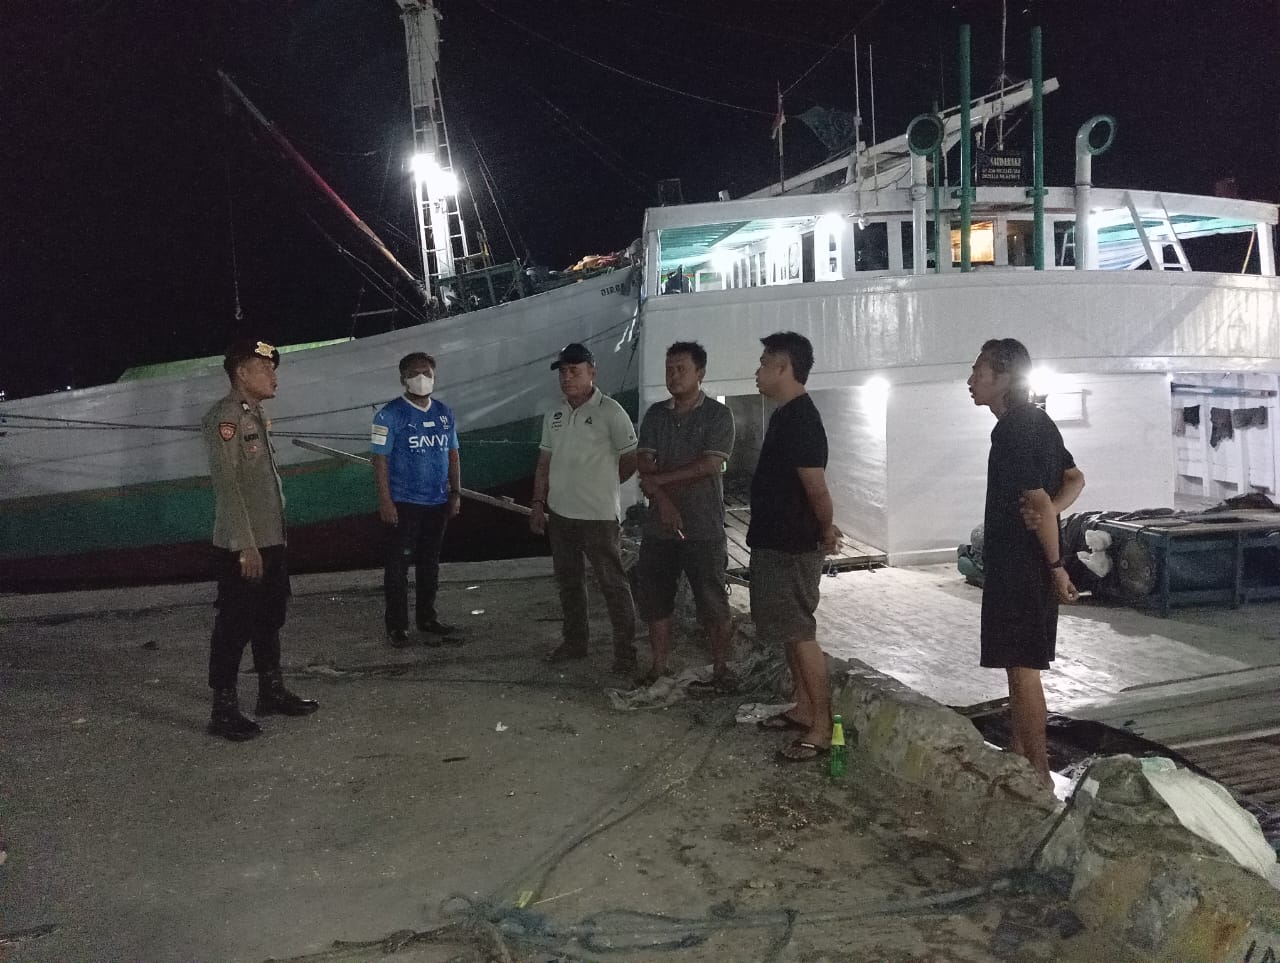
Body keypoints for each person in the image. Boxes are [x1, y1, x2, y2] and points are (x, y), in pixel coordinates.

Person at [968, 338, 1085, 789]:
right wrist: (1054, 508)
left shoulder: (1015, 429)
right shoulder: (1039, 421)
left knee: (1023, 670)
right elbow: (1074, 478)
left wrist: (1056, 566)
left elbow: (1036, 500)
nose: (971, 380)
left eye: (979, 372)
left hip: (1022, 566)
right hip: (1021, 566)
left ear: (1003, 379)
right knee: (1017, 665)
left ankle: (1037, 771)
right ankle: (1020, 754)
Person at [202, 339, 318, 742]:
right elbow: (228, 485)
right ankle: (223, 710)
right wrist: (245, 545)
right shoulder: (225, 418)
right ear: (241, 373)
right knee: (234, 625)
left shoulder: (257, 414)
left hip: (270, 539)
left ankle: (271, 692)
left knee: (270, 618)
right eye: (265, 368)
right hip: (244, 544)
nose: (273, 376)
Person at [748, 332, 842, 762]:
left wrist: (826, 531)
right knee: (789, 631)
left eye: (764, 362)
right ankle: (804, 708)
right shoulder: (785, 415)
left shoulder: (802, 419)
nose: (758, 371)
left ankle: (822, 727)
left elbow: (816, 489)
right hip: (774, 542)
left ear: (784, 367)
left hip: (792, 547)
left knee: (801, 632)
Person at [530, 342, 639, 673]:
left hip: (598, 516)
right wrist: (538, 503)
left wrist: (603, 484)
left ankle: (626, 653)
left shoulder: (611, 412)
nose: (567, 378)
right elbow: (544, 463)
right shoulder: (554, 414)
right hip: (560, 514)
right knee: (569, 583)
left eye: (574, 371)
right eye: (563, 372)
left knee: (612, 585)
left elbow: (631, 458)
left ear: (592, 372)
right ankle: (575, 642)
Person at [634, 341, 737, 690]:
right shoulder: (656, 415)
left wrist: (659, 482)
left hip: (704, 524)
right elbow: (644, 462)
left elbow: (710, 465)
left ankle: (722, 668)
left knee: (711, 597)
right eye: (669, 369)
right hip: (659, 527)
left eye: (681, 369)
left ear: (700, 373)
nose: (673, 376)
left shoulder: (718, 416)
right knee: (656, 596)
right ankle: (659, 664)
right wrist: (664, 502)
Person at [371, 352, 463, 648]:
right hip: (404, 503)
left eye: (427, 373)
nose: (422, 378)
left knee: (430, 563)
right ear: (403, 378)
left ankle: (427, 618)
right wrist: (385, 501)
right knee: (398, 566)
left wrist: (456, 492)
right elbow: (379, 460)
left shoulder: (445, 413)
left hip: (437, 502)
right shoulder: (388, 415)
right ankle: (397, 626)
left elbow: (453, 453)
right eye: (414, 373)